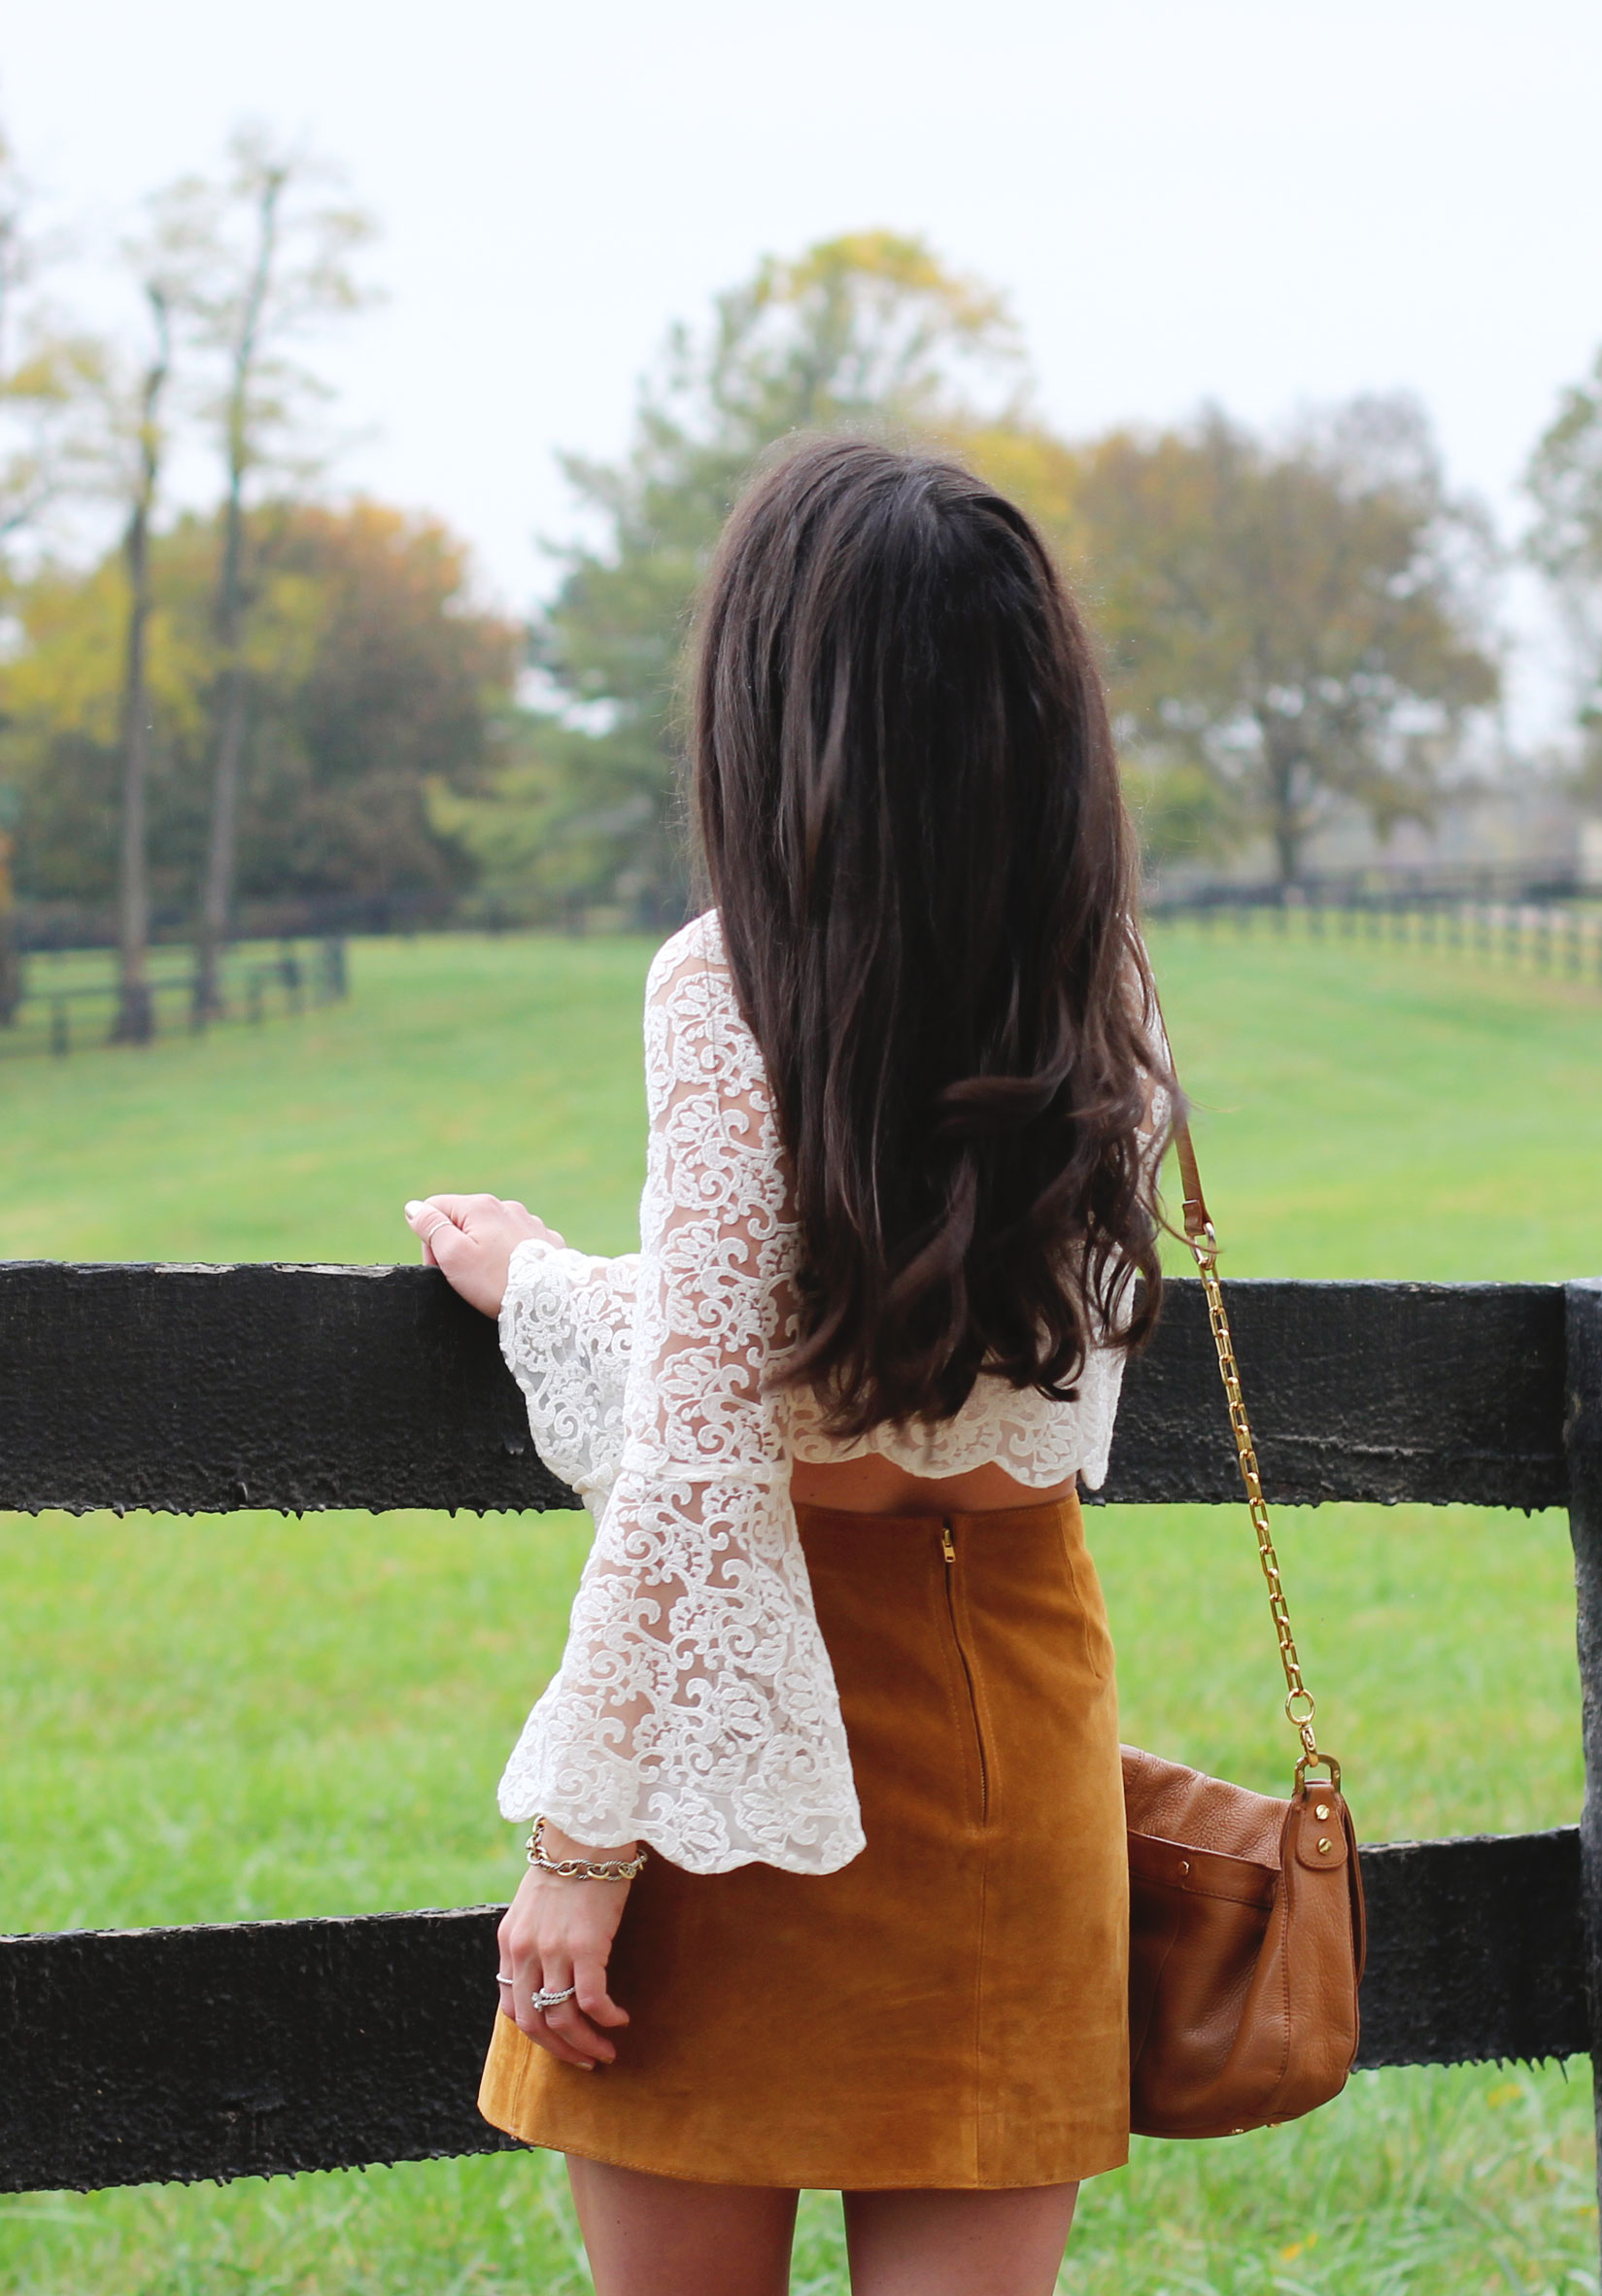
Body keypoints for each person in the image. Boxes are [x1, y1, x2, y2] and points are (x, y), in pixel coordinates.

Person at [405, 433, 1173, 2296]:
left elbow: (701, 1437)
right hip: (1011, 1698)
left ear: (777, 701)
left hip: (735, 1732)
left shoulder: (728, 980)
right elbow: (968, 1387)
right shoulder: (1096, 991)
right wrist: (589, 1293)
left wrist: (584, 1853)